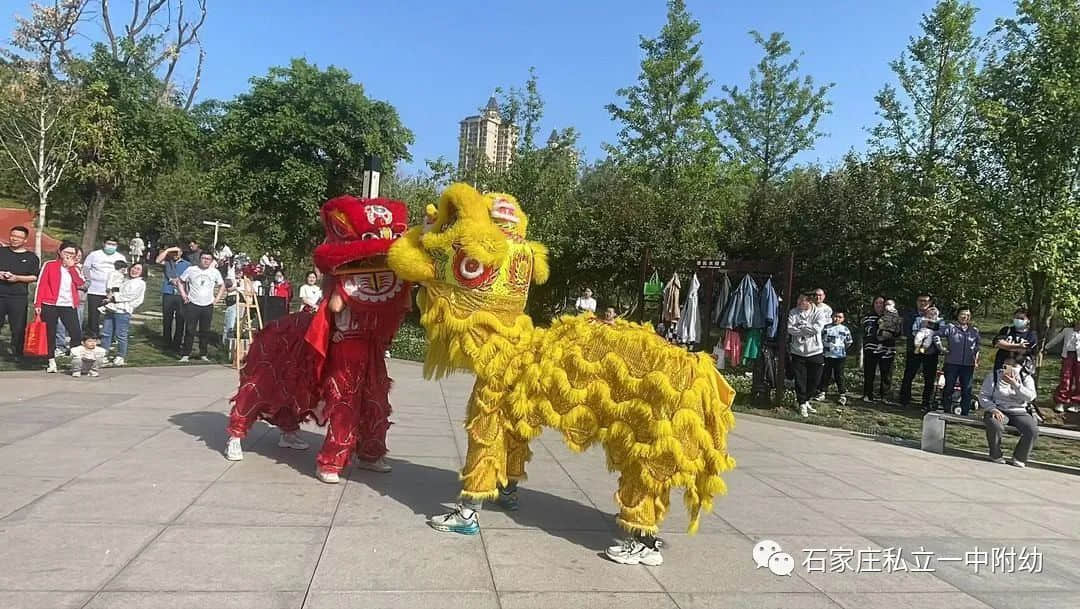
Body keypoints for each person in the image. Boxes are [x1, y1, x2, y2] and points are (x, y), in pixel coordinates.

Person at [34, 241, 85, 373]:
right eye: (66, 252)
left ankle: (76, 361)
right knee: (50, 333)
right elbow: (41, 285)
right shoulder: (50, 265)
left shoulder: (76, 267)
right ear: (60, 252)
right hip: (49, 304)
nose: (69, 256)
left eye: (72, 253)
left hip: (68, 304)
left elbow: (80, 283)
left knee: (76, 333)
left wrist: (71, 268)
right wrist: (37, 303)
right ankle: (51, 360)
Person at [981, 355, 1039, 468]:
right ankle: (995, 454)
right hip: (998, 409)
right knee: (994, 424)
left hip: (1019, 411)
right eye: (1006, 365)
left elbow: (1030, 397)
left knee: (1032, 430)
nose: (1009, 368)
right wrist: (993, 409)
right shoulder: (993, 376)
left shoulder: (1026, 378)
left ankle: (1019, 457)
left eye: (1014, 366)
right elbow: (984, 396)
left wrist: (1016, 385)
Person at [0, 226, 41, 360]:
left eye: (18, 237)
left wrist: (17, 278)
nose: (14, 239)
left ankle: (17, 352)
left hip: (18, 296)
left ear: (25, 240)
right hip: (1, 294)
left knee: (18, 327)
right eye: (13, 236)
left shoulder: (31, 257)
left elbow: (34, 277)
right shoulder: (2, 251)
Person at [177, 252, 225, 362]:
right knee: (190, 329)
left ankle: (203, 353)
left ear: (212, 261)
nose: (206, 261)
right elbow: (180, 281)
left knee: (205, 330)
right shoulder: (191, 270)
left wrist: (217, 299)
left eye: (208, 259)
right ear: (200, 259)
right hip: (193, 303)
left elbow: (222, 285)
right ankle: (186, 354)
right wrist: (184, 295)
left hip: (207, 304)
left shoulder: (215, 272)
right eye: (204, 258)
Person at [787, 293, 829, 417]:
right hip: (798, 351)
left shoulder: (818, 312)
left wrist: (801, 329)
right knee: (800, 379)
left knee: (815, 379)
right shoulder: (793, 312)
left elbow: (817, 328)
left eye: (802, 302)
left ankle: (806, 400)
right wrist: (805, 330)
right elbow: (790, 328)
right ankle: (801, 403)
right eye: (798, 301)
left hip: (815, 351)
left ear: (809, 302)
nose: (799, 304)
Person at [899, 294, 940, 410]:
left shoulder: (935, 314)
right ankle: (904, 400)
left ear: (930, 302)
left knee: (929, 378)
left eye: (925, 301)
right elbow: (906, 330)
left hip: (930, 351)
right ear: (916, 302)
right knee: (909, 375)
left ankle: (926, 402)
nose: (923, 303)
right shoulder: (911, 315)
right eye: (920, 301)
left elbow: (939, 330)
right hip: (914, 349)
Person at [100, 262, 146, 367]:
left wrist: (113, 298)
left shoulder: (139, 283)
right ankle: (103, 354)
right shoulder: (125, 280)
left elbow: (129, 296)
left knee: (121, 335)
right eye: (134, 268)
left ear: (142, 272)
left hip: (123, 311)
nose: (134, 271)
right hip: (112, 309)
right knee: (106, 333)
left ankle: (120, 356)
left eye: (138, 269)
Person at [937, 308, 981, 415]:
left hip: (968, 365)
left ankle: (965, 413)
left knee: (966, 389)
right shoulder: (950, 328)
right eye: (962, 314)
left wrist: (976, 359)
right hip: (952, 363)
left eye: (967, 315)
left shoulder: (974, 331)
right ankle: (946, 410)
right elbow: (936, 334)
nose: (964, 316)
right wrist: (941, 348)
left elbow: (977, 347)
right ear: (958, 315)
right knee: (949, 387)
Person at [82, 237, 127, 335]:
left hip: (112, 292)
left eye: (113, 244)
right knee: (93, 314)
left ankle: (110, 334)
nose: (110, 246)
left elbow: (124, 273)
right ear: (104, 243)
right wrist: (88, 280)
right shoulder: (94, 255)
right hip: (95, 289)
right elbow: (86, 267)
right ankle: (93, 334)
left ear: (117, 246)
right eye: (109, 243)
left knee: (112, 313)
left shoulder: (120, 257)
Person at [861, 297, 896, 403]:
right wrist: (881, 332)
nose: (879, 305)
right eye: (877, 303)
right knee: (869, 373)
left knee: (886, 374)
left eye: (881, 303)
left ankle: (884, 396)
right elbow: (868, 330)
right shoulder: (868, 317)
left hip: (888, 349)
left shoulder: (893, 316)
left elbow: (897, 331)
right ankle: (868, 394)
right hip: (871, 348)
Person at [156, 246, 191, 350]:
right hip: (168, 292)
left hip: (181, 293)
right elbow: (157, 260)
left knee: (180, 319)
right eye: (174, 252)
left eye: (178, 252)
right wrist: (167, 250)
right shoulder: (167, 262)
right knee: (167, 319)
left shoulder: (187, 264)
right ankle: (166, 341)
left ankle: (177, 343)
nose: (175, 254)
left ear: (181, 253)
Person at [818, 310, 852, 404]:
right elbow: (821, 339)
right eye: (835, 316)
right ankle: (822, 392)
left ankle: (842, 394)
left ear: (843, 319)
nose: (836, 318)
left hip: (840, 356)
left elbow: (848, 342)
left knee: (839, 375)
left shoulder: (845, 329)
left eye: (839, 317)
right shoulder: (826, 328)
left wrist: (840, 349)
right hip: (827, 355)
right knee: (825, 374)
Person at [1045, 321, 1080, 413]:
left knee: (1079, 380)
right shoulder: (1067, 330)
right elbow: (1057, 339)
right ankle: (1061, 401)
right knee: (1065, 378)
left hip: (1079, 358)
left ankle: (1076, 403)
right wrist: (1046, 347)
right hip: (1068, 356)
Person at [993, 308, 1038, 374]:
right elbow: (998, 343)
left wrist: (1006, 346)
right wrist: (1018, 345)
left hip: (1021, 369)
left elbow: (1024, 349)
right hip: (1002, 367)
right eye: (1016, 317)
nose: (1018, 320)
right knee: (1005, 381)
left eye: (1022, 318)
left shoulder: (1031, 334)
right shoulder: (1006, 330)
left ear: (1028, 320)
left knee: (1018, 383)